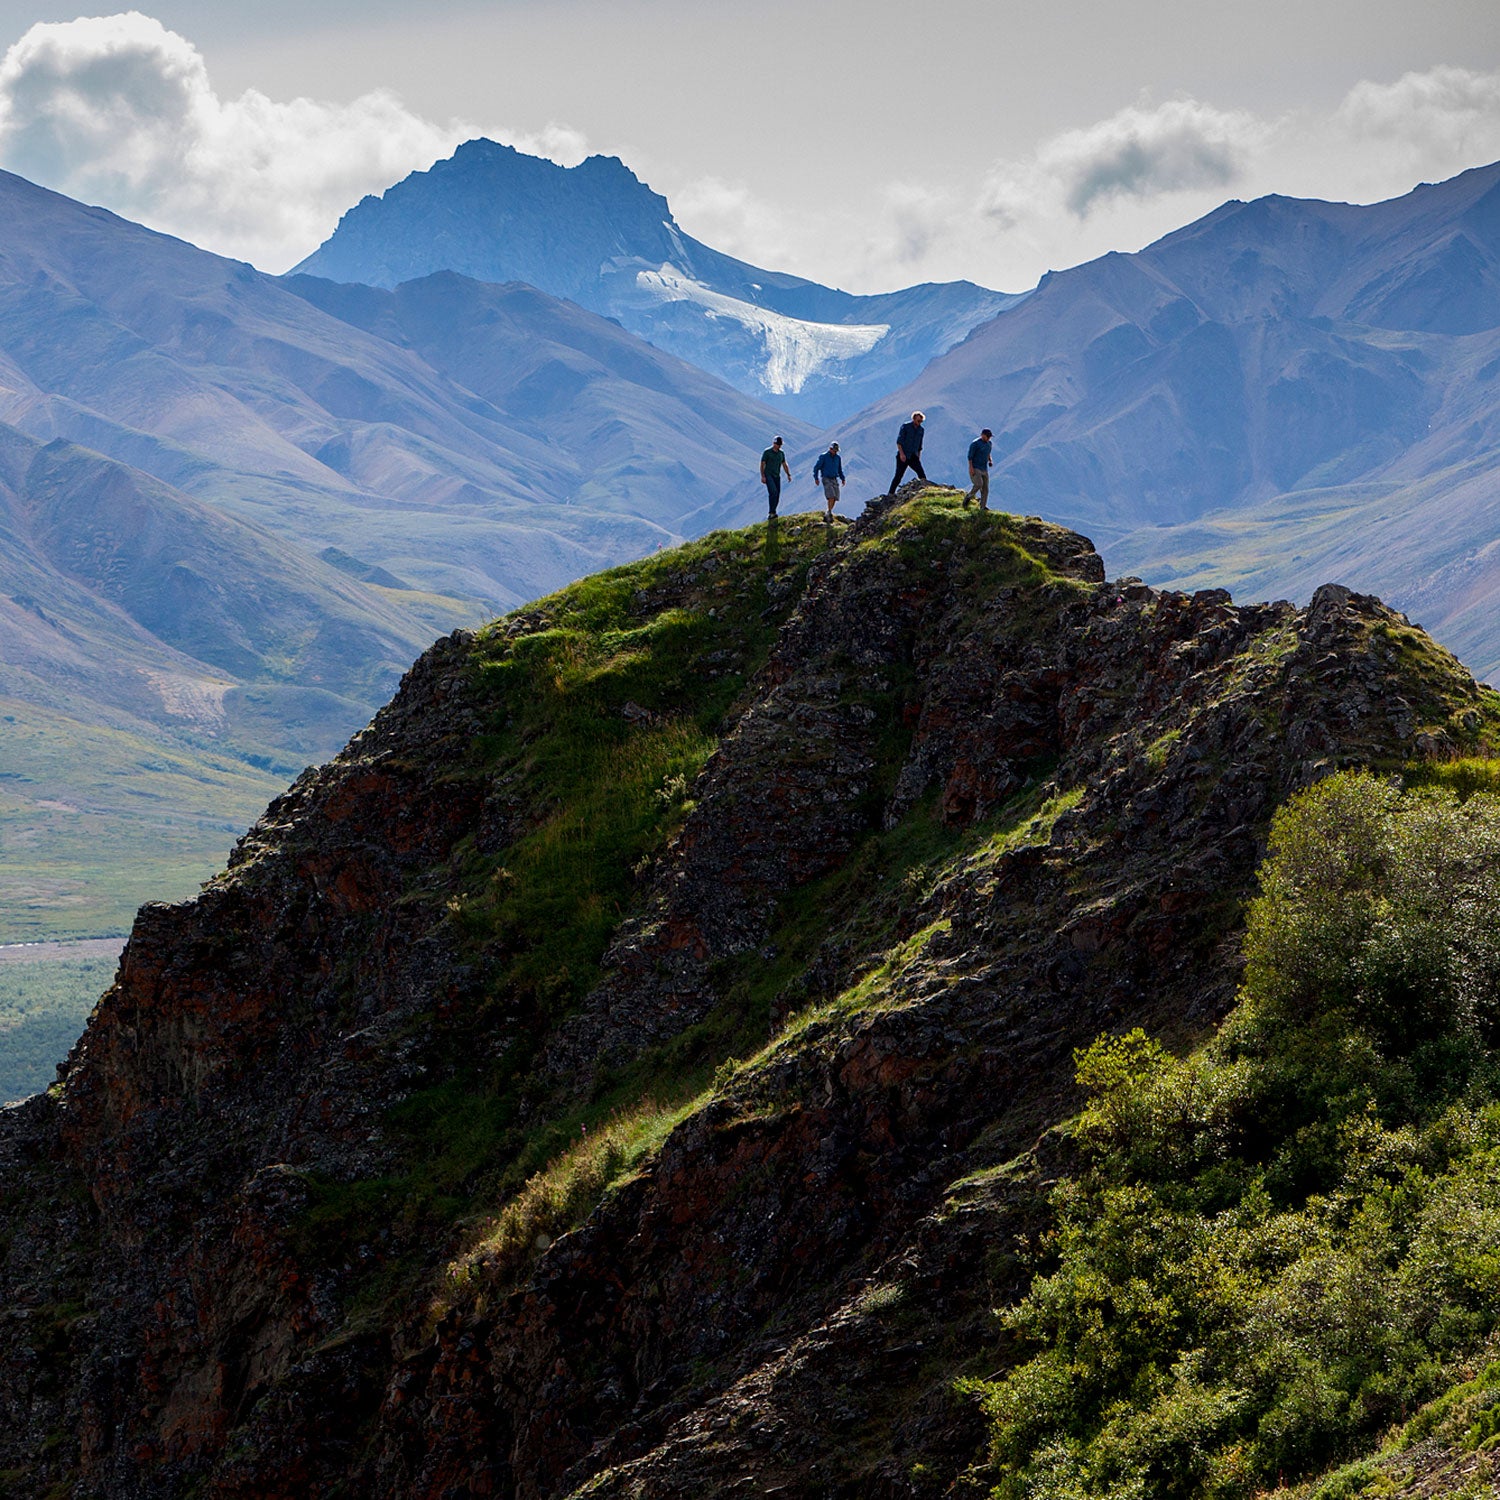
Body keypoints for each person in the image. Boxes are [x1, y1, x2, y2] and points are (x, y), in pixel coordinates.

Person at [888, 411, 927, 494]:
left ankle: (925, 491)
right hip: (904, 454)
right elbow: (899, 442)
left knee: (921, 474)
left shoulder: (921, 430)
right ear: (913, 419)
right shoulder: (906, 427)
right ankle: (890, 493)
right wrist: (901, 454)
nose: (919, 423)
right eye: (918, 421)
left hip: (913, 456)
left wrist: (918, 457)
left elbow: (919, 446)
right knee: (898, 476)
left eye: (921, 421)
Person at [812, 442, 845, 523]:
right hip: (826, 478)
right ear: (830, 449)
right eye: (834, 450)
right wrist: (816, 478)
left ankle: (829, 511)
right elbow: (816, 467)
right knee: (831, 495)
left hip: (834, 478)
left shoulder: (838, 458)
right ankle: (829, 512)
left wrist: (842, 478)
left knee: (835, 496)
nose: (835, 452)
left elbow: (839, 469)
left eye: (836, 451)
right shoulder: (823, 456)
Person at [760, 436, 792, 518]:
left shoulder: (781, 453)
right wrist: (763, 476)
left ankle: (774, 511)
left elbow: (784, 464)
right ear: (774, 443)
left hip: (777, 476)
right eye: (777, 444)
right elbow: (762, 464)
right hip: (768, 475)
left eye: (780, 444)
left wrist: (788, 474)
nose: (779, 446)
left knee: (777, 494)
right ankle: (771, 512)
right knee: (773, 492)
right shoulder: (767, 452)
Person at [964, 428, 993, 510]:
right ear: (983, 435)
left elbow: (988, 454)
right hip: (976, 467)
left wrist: (990, 461)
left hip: (984, 468)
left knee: (985, 489)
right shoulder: (975, 444)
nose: (989, 438)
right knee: (978, 484)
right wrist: (971, 468)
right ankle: (968, 497)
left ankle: (982, 506)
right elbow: (970, 457)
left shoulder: (989, 444)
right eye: (987, 437)